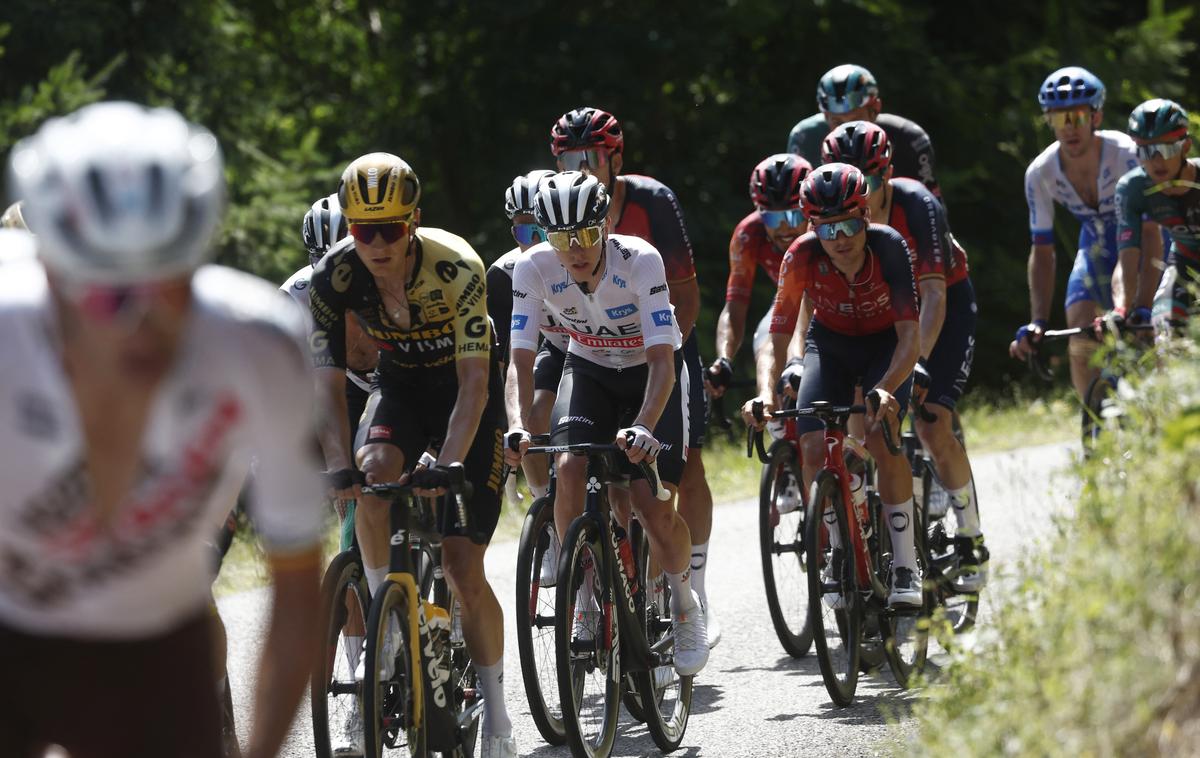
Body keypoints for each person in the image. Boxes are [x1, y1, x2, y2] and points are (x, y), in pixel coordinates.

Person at [0, 101, 323, 758]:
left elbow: (297, 593)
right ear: (49, 272)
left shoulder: (257, 344)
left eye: (169, 282)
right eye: (108, 295)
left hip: (152, 643)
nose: (140, 319)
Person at [309, 153, 517, 758]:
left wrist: (448, 463)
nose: (375, 243)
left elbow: (476, 386)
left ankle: (499, 717)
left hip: (463, 393)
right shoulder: (334, 279)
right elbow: (326, 385)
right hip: (401, 387)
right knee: (371, 481)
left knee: (460, 566)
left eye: (390, 229)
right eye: (361, 229)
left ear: (414, 222)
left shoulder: (456, 267)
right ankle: (387, 626)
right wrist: (336, 465)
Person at [504, 170, 709, 675]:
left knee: (649, 504)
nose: (575, 250)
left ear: (606, 225)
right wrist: (517, 425)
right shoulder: (532, 269)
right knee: (569, 468)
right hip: (589, 367)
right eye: (560, 238)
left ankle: (685, 604)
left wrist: (643, 425)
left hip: (649, 373)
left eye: (587, 235)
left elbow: (665, 359)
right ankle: (585, 594)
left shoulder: (640, 260)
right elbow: (520, 363)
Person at [549, 106, 720, 647]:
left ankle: (693, 586)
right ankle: (608, 584)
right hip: (594, 348)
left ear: (614, 159)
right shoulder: (556, 207)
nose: (579, 167)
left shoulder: (652, 202)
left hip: (663, 341)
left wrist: (661, 349)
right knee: (595, 468)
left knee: (680, 470)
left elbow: (687, 291)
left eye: (590, 158)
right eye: (567, 158)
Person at [742, 163, 922, 608]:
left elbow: (910, 338)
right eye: (826, 228)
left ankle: (905, 564)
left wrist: (887, 387)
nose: (839, 239)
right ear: (812, 226)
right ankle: (838, 548)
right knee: (811, 443)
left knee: (882, 438)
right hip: (832, 343)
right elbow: (776, 338)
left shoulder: (890, 248)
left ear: (865, 217)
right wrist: (764, 395)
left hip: (885, 346)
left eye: (847, 224)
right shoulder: (801, 255)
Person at [822, 121, 987, 590]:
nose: (862, 193)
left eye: (871, 181)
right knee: (860, 421)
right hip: (882, 317)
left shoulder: (918, 205)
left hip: (942, 307)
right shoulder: (833, 214)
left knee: (933, 420)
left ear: (889, 173)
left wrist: (916, 366)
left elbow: (933, 297)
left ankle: (972, 537)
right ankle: (873, 536)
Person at [1010, 67, 1162, 399]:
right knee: (1079, 333)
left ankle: (1159, 411)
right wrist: (1038, 320)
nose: (1069, 129)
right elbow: (1043, 252)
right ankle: (1094, 426)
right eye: (1059, 119)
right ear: (1048, 121)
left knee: (1144, 332)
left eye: (1077, 117)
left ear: (1096, 116)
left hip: (1140, 241)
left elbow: (1149, 233)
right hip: (1094, 246)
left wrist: (1143, 304)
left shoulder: (1126, 154)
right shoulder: (1040, 173)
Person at [487, 169, 568, 582]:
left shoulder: (582, 254)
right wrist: (509, 428)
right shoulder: (503, 274)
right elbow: (507, 363)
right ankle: (549, 527)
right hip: (555, 349)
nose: (534, 245)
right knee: (534, 419)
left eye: (542, 231)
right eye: (523, 233)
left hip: (607, 351)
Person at [706, 153, 812, 401]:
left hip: (829, 302)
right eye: (773, 218)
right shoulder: (748, 234)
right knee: (766, 347)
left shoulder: (822, 228)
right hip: (789, 299)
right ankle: (774, 422)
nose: (784, 227)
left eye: (794, 215)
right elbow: (736, 304)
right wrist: (724, 357)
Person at [281, 193, 375, 443]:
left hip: (406, 378)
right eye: (322, 262)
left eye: (345, 261)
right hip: (347, 384)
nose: (334, 274)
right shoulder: (296, 294)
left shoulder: (392, 278)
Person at [787, 64, 940, 197]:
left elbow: (931, 204)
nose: (847, 130)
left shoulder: (909, 138)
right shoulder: (804, 138)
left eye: (856, 120)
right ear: (825, 116)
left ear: (875, 109)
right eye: (837, 121)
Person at [1114, 98, 1200, 334]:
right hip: (1184, 261)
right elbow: (1127, 259)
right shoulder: (1132, 189)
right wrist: (1121, 309)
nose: (1156, 160)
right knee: (1164, 334)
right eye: (1147, 151)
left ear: (1185, 147)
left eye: (1166, 149)